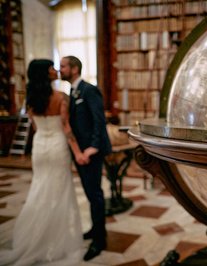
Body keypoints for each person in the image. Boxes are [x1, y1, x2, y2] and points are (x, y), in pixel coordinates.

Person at [0, 59, 85, 265]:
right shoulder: (60, 97)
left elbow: (36, 127)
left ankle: (34, 236)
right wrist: (78, 153)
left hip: (40, 147)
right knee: (58, 192)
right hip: (57, 146)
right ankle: (53, 239)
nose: (55, 70)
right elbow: (66, 128)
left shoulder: (30, 99)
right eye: (51, 68)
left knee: (39, 189)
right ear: (45, 74)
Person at [59, 55, 112, 261]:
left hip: (91, 152)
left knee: (95, 195)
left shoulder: (89, 90)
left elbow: (99, 121)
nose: (60, 69)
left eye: (63, 66)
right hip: (80, 152)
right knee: (91, 194)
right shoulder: (72, 92)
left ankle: (100, 240)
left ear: (74, 69)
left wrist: (93, 147)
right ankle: (96, 230)